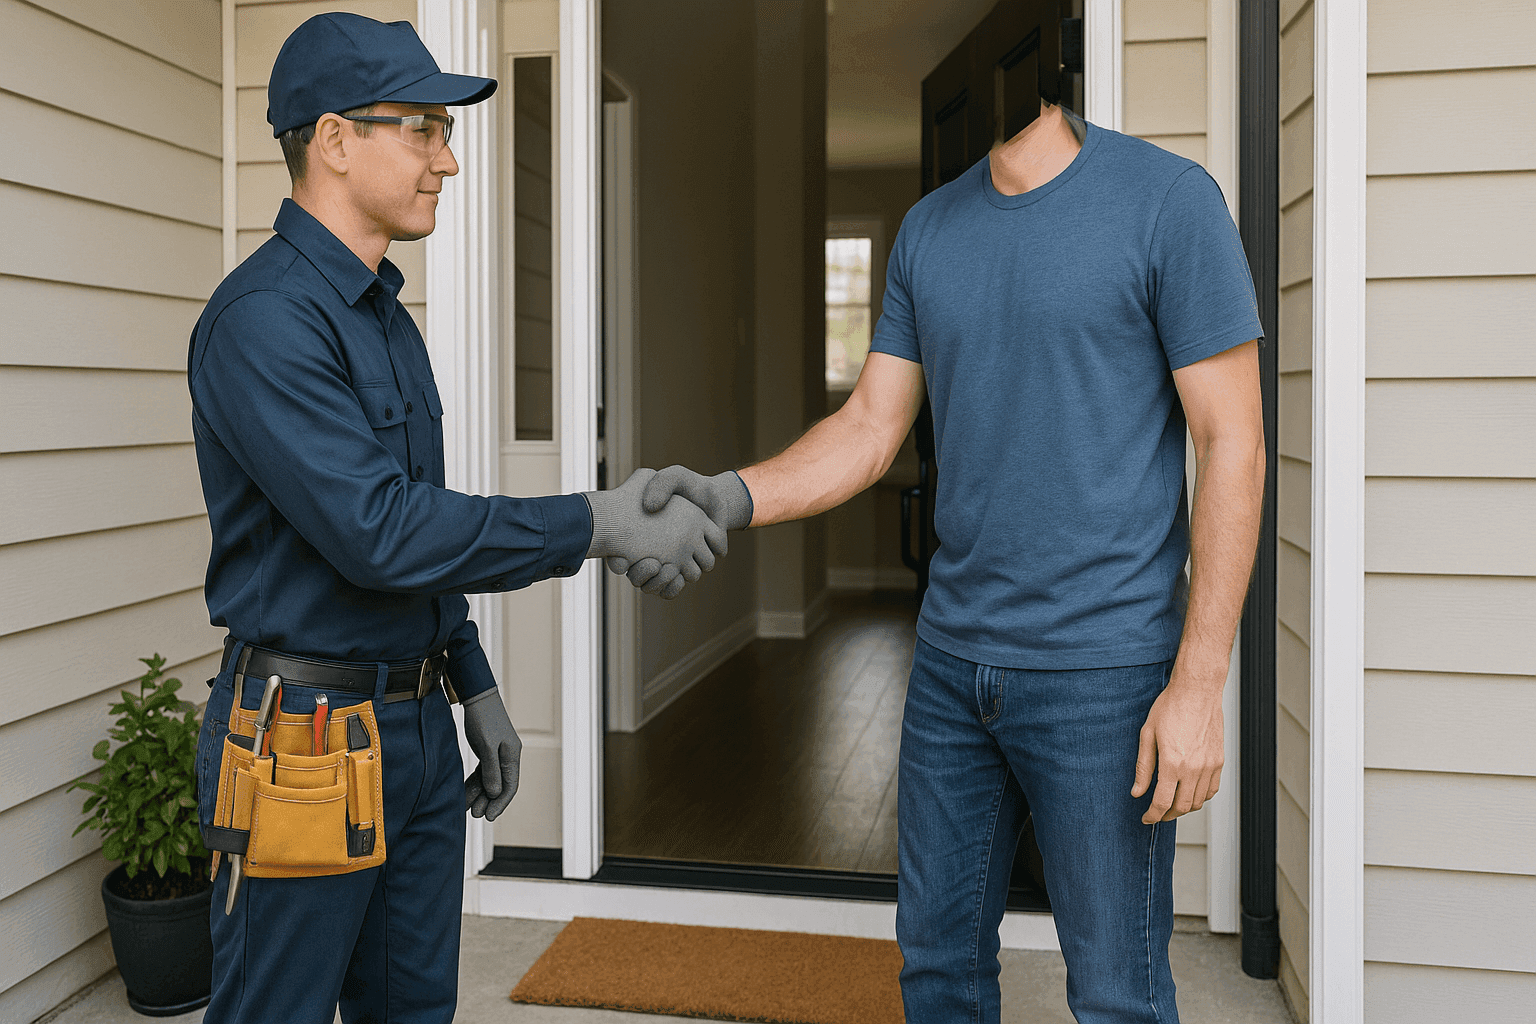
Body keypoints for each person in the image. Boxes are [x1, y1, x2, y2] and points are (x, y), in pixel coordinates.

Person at [632, 99, 1265, 1023]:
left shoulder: (1168, 200)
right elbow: (868, 428)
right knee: (937, 971)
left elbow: (1234, 443)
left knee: (1117, 995)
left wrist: (1200, 684)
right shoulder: (929, 230)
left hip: (1105, 676)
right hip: (951, 671)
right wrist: (726, 496)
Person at [187, 14, 722, 1023]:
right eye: (424, 128)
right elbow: (379, 531)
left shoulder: (385, 320)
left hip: (418, 733)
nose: (451, 161)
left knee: (413, 1010)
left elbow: (416, 526)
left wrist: (470, 680)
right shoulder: (263, 323)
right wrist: (598, 521)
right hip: (302, 742)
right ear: (337, 139)